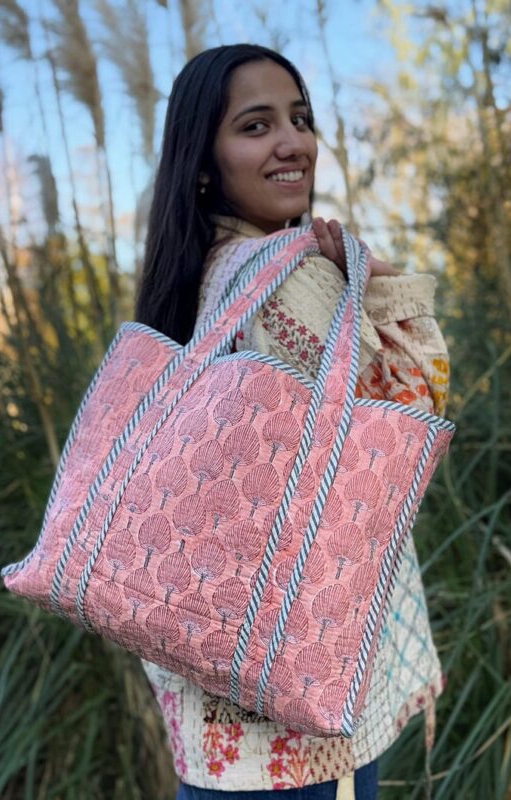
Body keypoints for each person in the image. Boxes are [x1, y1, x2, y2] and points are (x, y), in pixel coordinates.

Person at [135, 44, 449, 800]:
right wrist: (378, 288)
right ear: (204, 162)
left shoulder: (201, 275)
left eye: (300, 119)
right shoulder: (289, 277)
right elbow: (405, 416)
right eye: (256, 125)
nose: (293, 143)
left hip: (216, 716)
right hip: (297, 719)